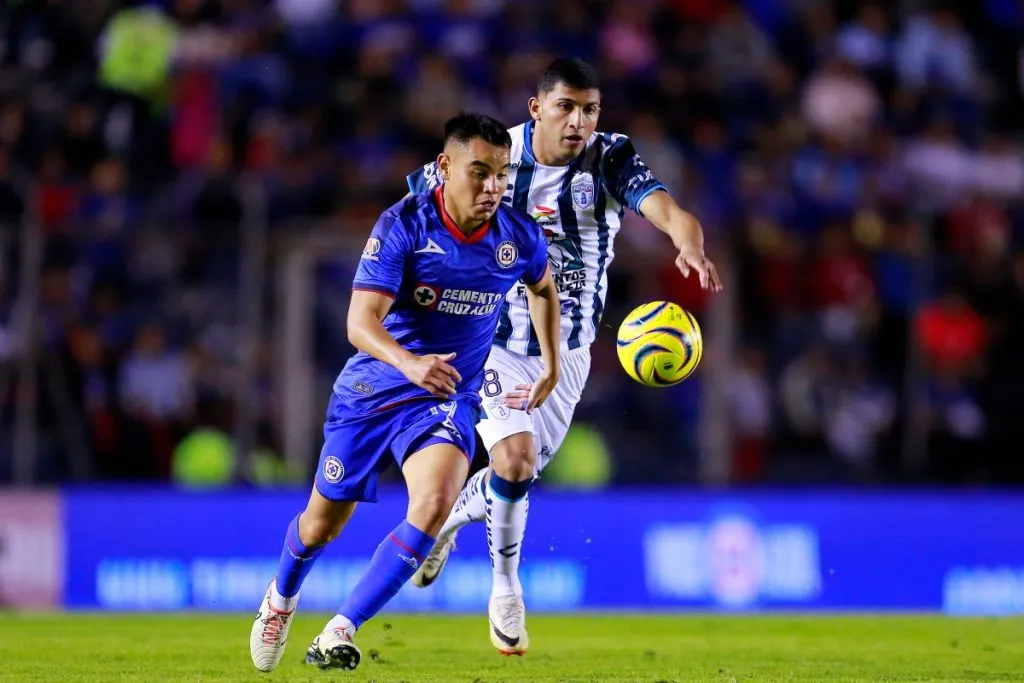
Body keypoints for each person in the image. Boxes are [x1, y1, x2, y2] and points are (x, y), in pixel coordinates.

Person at [405, 58, 723, 655]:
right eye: (567, 108)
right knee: (516, 459)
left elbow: (666, 208)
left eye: (591, 109)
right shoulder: (494, 155)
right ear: (537, 109)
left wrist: (688, 240)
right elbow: (419, 198)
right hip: (491, 340)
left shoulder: (610, 158)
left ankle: (443, 521)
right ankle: (505, 591)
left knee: (514, 475)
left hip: (567, 350)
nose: (580, 121)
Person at [249, 113, 562, 672]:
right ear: (444, 167)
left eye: (502, 174)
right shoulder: (405, 224)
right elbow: (359, 322)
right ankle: (280, 599)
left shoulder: (518, 235)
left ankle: (339, 631)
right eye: (479, 172)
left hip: (444, 397)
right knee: (321, 524)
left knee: (435, 502)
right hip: (373, 390)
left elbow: (543, 287)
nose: (492, 187)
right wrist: (409, 362)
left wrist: (552, 362)